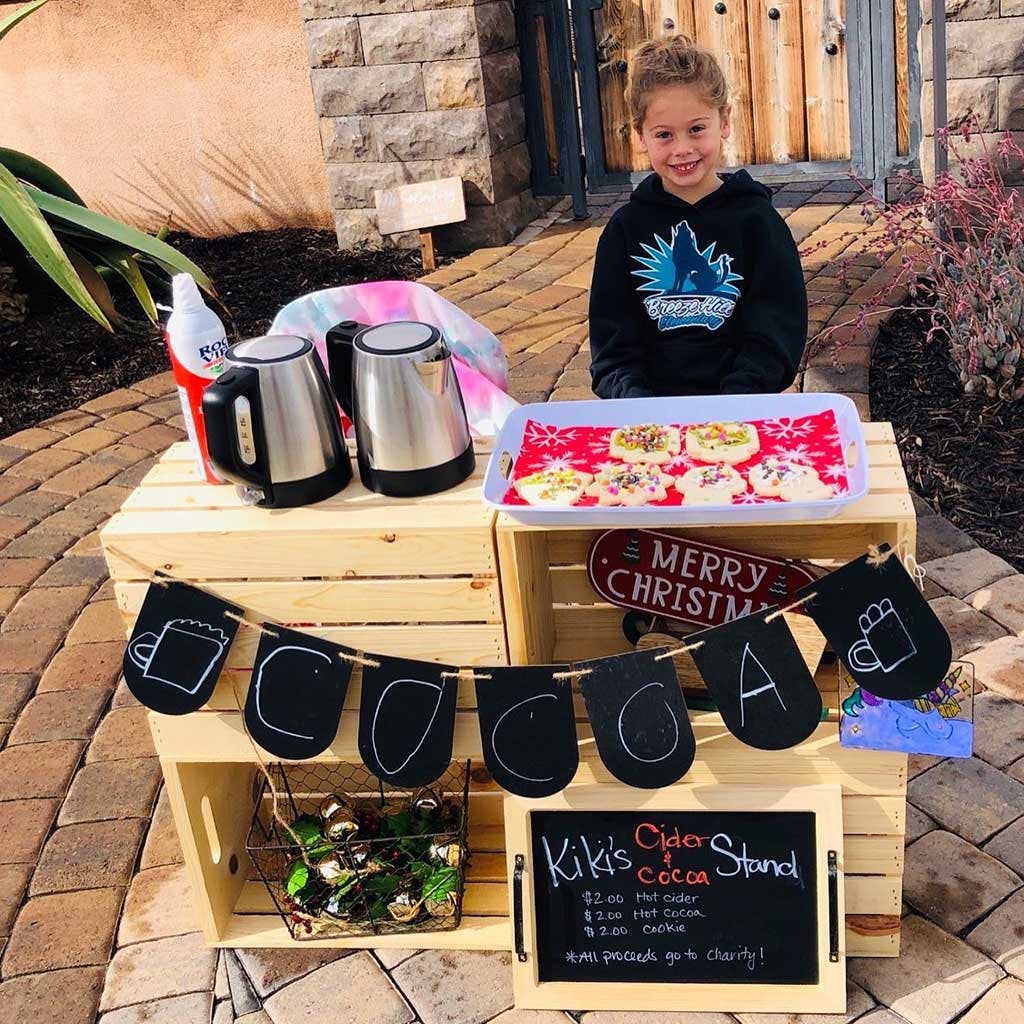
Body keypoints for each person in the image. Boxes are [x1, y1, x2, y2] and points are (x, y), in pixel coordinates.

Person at [589, 35, 807, 399]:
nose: (682, 149)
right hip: (646, 419)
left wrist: (735, 399)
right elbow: (612, 349)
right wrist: (635, 404)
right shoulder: (623, 232)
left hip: (740, 412)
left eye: (696, 129)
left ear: (724, 121)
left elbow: (775, 334)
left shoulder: (759, 224)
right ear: (640, 135)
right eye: (664, 135)